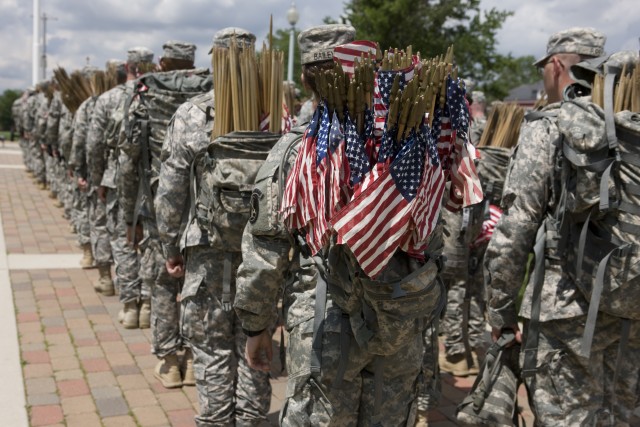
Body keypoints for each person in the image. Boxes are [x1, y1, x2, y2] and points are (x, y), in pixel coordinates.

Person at [234, 24, 447, 425]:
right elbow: (433, 238)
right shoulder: (411, 141)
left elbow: (265, 250)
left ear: (304, 79)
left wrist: (255, 325)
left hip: (325, 326)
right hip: (398, 319)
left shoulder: (297, 150)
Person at [485, 27, 640, 425]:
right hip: (632, 312)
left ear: (556, 66)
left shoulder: (549, 127)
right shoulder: (632, 129)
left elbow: (514, 231)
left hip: (564, 315)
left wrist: (500, 313)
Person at [155, 28, 272, 425]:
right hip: (262, 259)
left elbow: (170, 193)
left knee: (212, 352)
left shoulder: (191, 115)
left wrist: (170, 249)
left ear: (215, 60)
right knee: (255, 349)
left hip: (207, 256)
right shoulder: (277, 116)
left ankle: (217, 420)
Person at [118, 41, 202, 379]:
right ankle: (197, 358)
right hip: (202, 205)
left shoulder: (144, 94)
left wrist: (128, 216)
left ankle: (169, 363)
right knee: (200, 282)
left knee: (164, 282)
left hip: (158, 203)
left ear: (163, 62)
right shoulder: (214, 92)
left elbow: (128, 161)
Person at [87, 48, 152, 298]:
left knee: (123, 240)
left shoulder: (107, 99)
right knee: (147, 243)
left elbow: (94, 145)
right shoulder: (159, 97)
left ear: (128, 67)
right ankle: (147, 303)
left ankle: (130, 304)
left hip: (116, 179)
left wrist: (97, 179)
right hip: (151, 182)